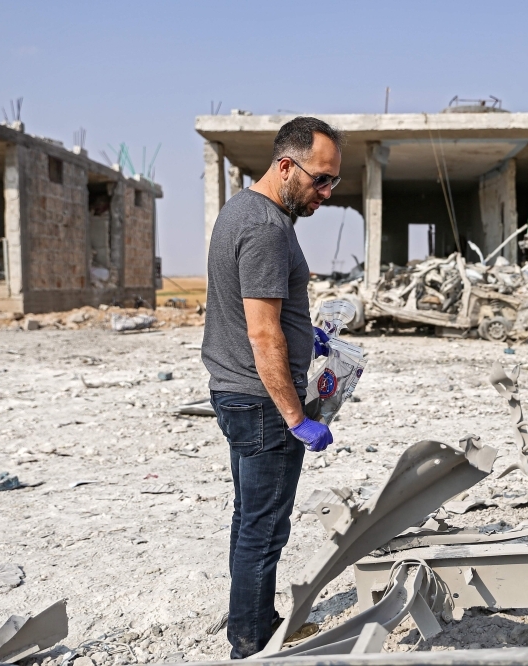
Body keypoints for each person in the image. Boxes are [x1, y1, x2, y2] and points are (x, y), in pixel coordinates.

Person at [201, 116, 345, 658]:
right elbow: (263, 335)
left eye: (333, 182)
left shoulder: (243, 207)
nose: (326, 193)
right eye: (320, 180)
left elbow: (262, 317)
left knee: (249, 519)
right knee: (264, 530)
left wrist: (312, 337)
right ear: (286, 166)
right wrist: (296, 417)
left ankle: (252, 620)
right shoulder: (265, 228)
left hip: (236, 390)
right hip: (262, 403)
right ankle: (252, 644)